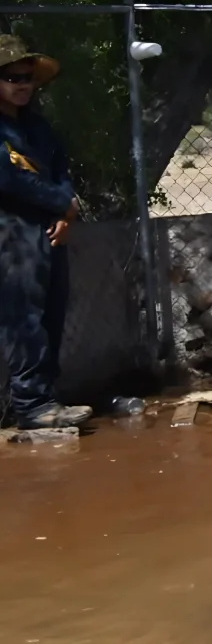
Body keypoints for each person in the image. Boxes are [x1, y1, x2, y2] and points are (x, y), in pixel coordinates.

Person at [0, 36, 88, 429]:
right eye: (11, 77)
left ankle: (47, 398)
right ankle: (31, 404)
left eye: (27, 77)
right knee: (24, 317)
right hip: (11, 230)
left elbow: (60, 172)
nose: (22, 85)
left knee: (52, 311)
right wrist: (61, 202)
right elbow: (9, 180)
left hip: (49, 229)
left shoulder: (38, 126)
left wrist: (67, 212)